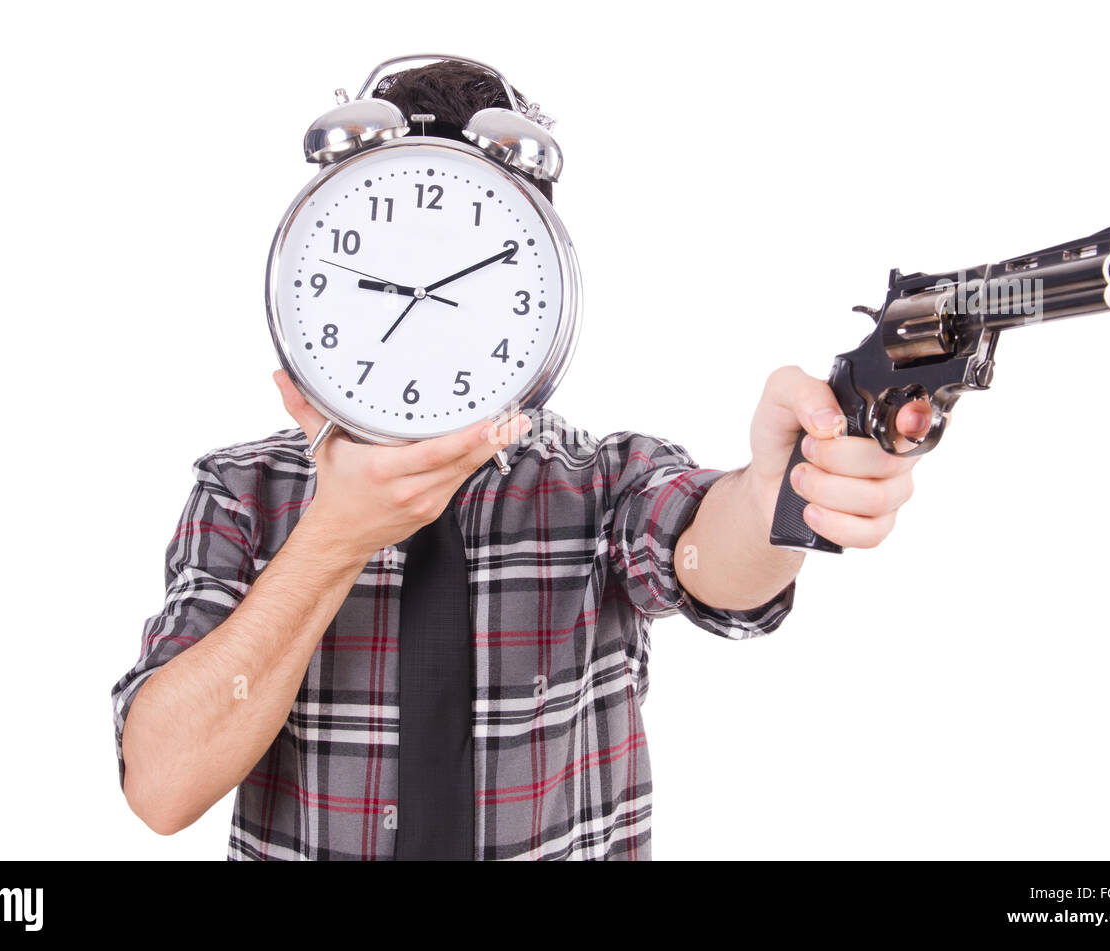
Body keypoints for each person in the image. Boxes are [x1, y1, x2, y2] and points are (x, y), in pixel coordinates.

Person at [110, 60, 927, 860]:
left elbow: (712, 552)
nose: (425, 306)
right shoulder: (245, 492)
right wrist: (333, 538)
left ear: (539, 293)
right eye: (388, 267)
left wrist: (783, 492)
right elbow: (161, 787)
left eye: (479, 269)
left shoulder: (599, 483)